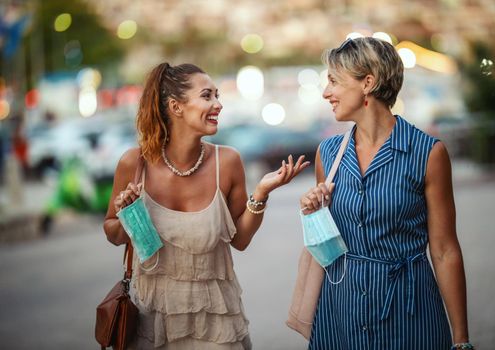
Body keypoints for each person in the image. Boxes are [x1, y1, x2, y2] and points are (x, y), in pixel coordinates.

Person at [103, 63, 308, 349]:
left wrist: (261, 193)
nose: (218, 105)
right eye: (207, 96)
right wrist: (129, 215)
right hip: (152, 322)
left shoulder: (227, 162)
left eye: (217, 96)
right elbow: (112, 233)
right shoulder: (133, 164)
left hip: (216, 324)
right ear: (176, 106)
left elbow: (240, 240)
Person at [299, 37, 473, 350]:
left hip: (411, 313)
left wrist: (461, 339)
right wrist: (313, 211)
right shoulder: (328, 153)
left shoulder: (428, 153)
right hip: (341, 313)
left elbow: (445, 250)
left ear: (368, 82)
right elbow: (325, 248)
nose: (326, 93)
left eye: (334, 82)